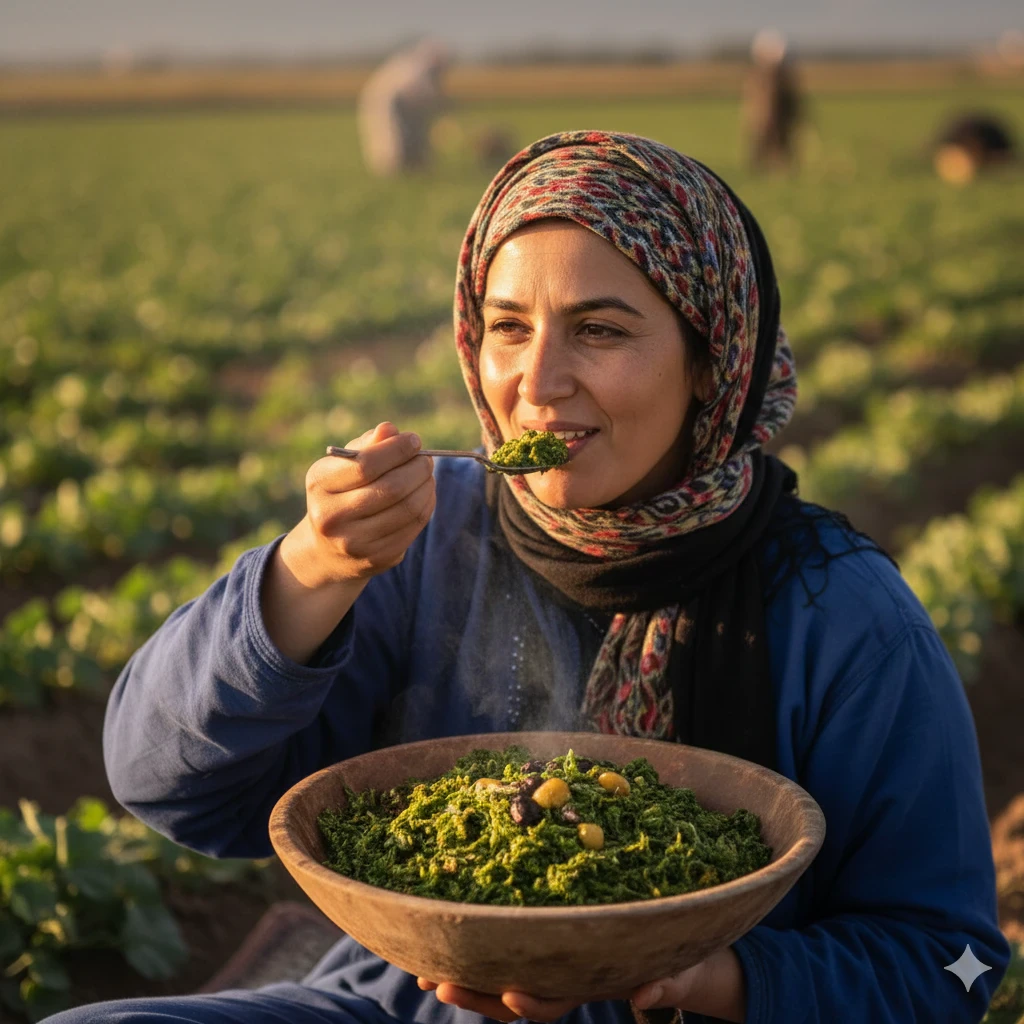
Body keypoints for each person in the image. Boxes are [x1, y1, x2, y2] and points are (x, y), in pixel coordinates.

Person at [46, 131, 1008, 1023]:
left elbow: (953, 965)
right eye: (509, 327)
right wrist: (309, 571)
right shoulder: (425, 539)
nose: (538, 383)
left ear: (713, 361)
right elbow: (164, 784)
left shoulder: (842, 613)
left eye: (600, 330)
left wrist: (704, 976)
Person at [357, 39, 448, 176]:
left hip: (398, 104)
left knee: (408, 135)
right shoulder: (416, 69)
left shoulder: (412, 64)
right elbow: (417, 94)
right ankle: (393, 171)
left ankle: (411, 167)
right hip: (387, 104)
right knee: (391, 139)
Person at [742, 30, 801, 172]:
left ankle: (781, 170)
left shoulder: (783, 76)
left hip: (780, 118)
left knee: (782, 144)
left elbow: (792, 99)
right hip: (762, 118)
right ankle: (758, 169)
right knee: (760, 144)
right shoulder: (757, 75)